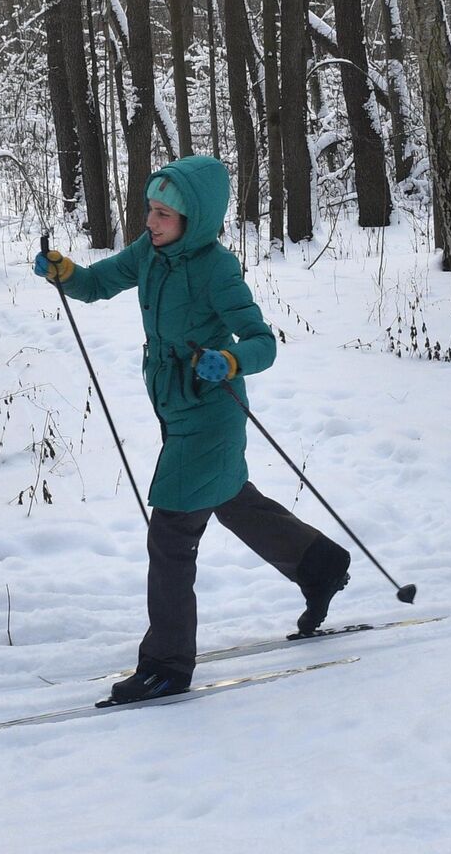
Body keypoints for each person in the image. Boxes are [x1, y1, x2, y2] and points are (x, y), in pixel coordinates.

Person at [35, 154, 351, 704]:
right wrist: (65, 272)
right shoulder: (150, 255)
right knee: (230, 499)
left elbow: (262, 341)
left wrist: (230, 361)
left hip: (212, 409)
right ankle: (319, 565)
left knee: (172, 533)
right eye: (150, 210)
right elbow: (97, 283)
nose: (151, 222)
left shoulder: (215, 268)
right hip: (175, 406)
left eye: (163, 214)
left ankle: (166, 664)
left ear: (194, 219)